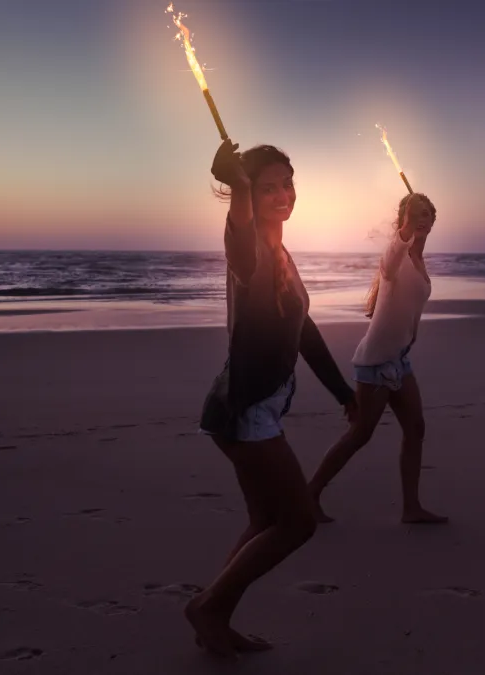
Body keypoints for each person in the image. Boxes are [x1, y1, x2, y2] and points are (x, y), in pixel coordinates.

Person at [187, 138, 358, 658]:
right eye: (268, 188)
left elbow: (303, 332)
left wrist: (342, 391)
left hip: (245, 407)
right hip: (244, 411)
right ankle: (209, 608)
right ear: (249, 196)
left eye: (287, 184)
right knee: (299, 522)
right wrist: (237, 189)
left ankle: (214, 611)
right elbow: (237, 235)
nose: (283, 194)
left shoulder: (280, 251)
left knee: (265, 521)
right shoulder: (253, 250)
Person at [307, 192, 448, 525]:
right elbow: (393, 254)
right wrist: (405, 229)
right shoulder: (395, 258)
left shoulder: (419, 259)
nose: (423, 220)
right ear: (403, 221)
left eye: (428, 214)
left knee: (416, 428)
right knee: (360, 435)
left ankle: (411, 508)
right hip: (375, 362)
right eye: (416, 215)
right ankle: (309, 494)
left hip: (399, 360)